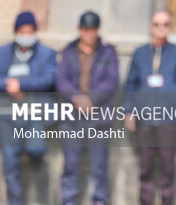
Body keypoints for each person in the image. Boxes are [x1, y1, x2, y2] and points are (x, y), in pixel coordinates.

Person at [0, 11, 57, 205]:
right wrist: (8, 85)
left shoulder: (46, 54)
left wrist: (22, 85)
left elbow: (49, 79)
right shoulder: (1, 53)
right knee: (10, 161)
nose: (26, 35)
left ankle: (35, 159)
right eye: (22, 31)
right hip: (6, 113)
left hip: (34, 113)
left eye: (30, 31)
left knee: (36, 148)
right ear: (16, 32)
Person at [123, 10, 176, 205]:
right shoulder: (140, 54)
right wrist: (129, 111)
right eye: (156, 24)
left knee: (167, 169)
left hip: (168, 120)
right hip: (144, 119)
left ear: (169, 27)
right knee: (145, 168)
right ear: (150, 27)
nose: (161, 28)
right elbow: (131, 84)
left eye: (165, 24)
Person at [56, 11, 119, 205]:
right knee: (70, 166)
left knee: (99, 168)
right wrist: (77, 98)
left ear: (97, 30)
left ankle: (99, 201)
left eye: (92, 30)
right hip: (71, 117)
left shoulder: (107, 52)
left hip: (98, 117)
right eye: (85, 29)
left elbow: (112, 80)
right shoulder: (68, 51)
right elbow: (61, 79)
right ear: (80, 30)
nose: (89, 34)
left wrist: (91, 100)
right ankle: (69, 201)